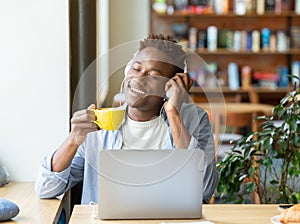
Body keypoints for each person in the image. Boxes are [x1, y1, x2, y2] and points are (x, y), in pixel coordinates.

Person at [35, 33, 218, 204]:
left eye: (153, 75)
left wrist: (173, 111)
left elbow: (204, 189)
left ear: (171, 85)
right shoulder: (99, 126)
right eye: (136, 68)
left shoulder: (194, 119)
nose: (138, 78)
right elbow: (46, 188)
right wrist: (72, 140)